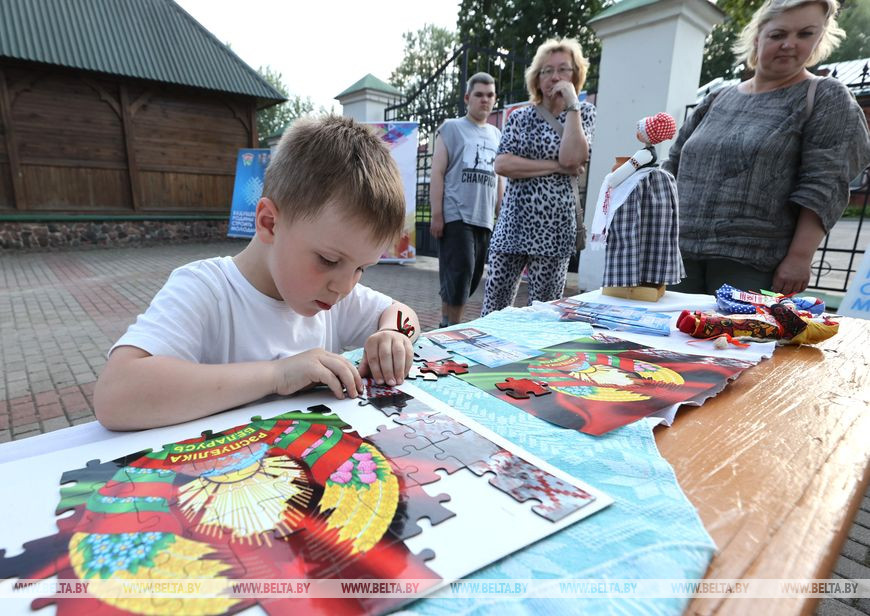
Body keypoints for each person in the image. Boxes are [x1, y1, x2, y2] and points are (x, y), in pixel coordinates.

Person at [94, 116, 420, 430]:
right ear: (269, 223)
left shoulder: (332, 295)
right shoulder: (205, 289)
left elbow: (402, 314)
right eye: (327, 259)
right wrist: (277, 375)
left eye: (361, 268)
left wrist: (393, 334)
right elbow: (116, 395)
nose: (346, 286)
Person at [663, 0, 870, 295]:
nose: (789, 44)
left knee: (736, 341)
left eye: (805, 34)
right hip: (677, 256)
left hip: (753, 266)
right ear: (758, 36)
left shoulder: (824, 96)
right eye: (778, 35)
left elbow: (825, 183)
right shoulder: (717, 99)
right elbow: (673, 165)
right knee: (662, 339)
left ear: (820, 38)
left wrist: (800, 258)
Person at [481, 37, 596, 315]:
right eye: (547, 70)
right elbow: (503, 164)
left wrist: (572, 106)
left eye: (563, 69)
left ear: (575, 74)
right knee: (493, 308)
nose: (554, 77)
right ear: (537, 76)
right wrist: (556, 166)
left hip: (555, 228)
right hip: (513, 224)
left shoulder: (584, 114)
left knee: (544, 313)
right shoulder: (520, 117)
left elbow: (572, 158)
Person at [429, 72, 504, 327]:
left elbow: (500, 178)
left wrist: (500, 213)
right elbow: (437, 171)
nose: (485, 100)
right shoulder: (451, 128)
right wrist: (437, 214)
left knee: (469, 277)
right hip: (456, 214)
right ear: (467, 98)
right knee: (460, 275)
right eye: (479, 95)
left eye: (490, 95)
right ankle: (453, 329)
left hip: (484, 218)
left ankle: (444, 323)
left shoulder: (496, 135)